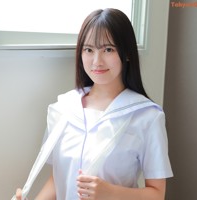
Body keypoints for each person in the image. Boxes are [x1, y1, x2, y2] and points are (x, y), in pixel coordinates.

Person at [15, 8, 173, 200]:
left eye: (108, 49)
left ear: (127, 53)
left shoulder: (147, 116)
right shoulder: (63, 109)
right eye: (89, 49)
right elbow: (58, 179)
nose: (97, 61)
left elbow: (157, 194)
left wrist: (111, 193)